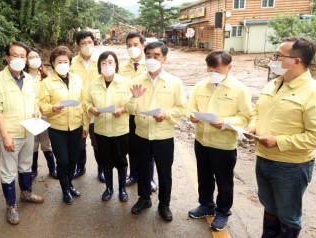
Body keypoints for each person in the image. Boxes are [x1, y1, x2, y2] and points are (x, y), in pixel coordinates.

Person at [245, 37, 316, 237]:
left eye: (278, 55)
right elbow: (258, 111)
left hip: (291, 166)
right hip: (264, 158)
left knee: (288, 216)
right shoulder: (274, 83)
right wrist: (252, 126)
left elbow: (314, 136)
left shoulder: (312, 92)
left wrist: (279, 141)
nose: (273, 59)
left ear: (297, 61)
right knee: (270, 208)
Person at [187, 50, 252, 231]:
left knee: (224, 180)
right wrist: (191, 116)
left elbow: (245, 117)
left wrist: (225, 122)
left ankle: (223, 211)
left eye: (217, 69)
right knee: (204, 176)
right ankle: (206, 204)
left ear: (229, 67)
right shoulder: (201, 86)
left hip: (223, 144)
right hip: (202, 140)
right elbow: (191, 106)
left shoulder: (239, 89)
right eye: (209, 68)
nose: (212, 72)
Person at [127, 42, 186, 222]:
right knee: (143, 169)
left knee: (164, 171)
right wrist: (134, 98)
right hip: (142, 134)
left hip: (163, 135)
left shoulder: (175, 82)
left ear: (164, 59)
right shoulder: (137, 81)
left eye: (156, 56)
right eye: (149, 56)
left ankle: (164, 204)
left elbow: (181, 107)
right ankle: (144, 199)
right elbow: (129, 109)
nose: (152, 59)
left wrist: (166, 114)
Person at [0, 41, 44, 225]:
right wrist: (5, 136)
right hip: (11, 133)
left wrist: (36, 110)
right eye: (15, 55)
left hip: (28, 130)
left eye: (22, 56)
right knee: (8, 172)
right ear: (7, 58)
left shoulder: (29, 78)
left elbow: (34, 99)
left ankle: (26, 193)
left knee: (26, 165)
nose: (19, 59)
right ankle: (11, 205)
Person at [39, 46, 87, 204]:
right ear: (53, 63)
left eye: (65, 61)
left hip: (75, 125)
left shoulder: (77, 80)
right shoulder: (46, 83)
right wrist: (53, 108)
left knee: (73, 158)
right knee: (63, 160)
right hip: (57, 128)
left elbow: (83, 103)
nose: (62, 64)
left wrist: (85, 125)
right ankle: (65, 189)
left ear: (69, 63)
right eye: (59, 61)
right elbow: (42, 106)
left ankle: (70, 184)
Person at [84, 51, 130, 202]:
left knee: (121, 160)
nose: (107, 66)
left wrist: (122, 110)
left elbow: (132, 103)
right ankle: (109, 189)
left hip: (120, 130)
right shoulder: (94, 83)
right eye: (103, 63)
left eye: (110, 62)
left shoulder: (125, 82)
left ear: (116, 64)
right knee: (106, 161)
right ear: (99, 67)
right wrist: (92, 109)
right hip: (101, 130)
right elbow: (87, 102)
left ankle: (122, 189)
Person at [119, 32, 157, 192]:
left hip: (146, 113)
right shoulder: (122, 68)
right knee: (132, 147)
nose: (132, 48)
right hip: (128, 113)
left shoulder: (151, 65)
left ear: (143, 45)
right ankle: (133, 174)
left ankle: (149, 178)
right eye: (128, 46)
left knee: (149, 148)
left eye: (135, 45)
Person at [70, 30, 103, 182]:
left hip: (96, 109)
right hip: (78, 109)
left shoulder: (101, 61)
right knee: (78, 144)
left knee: (98, 143)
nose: (87, 46)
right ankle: (80, 167)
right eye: (83, 43)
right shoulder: (71, 63)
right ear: (78, 46)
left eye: (90, 42)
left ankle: (101, 170)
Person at [26, 48, 57, 179]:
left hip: (43, 114)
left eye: (36, 56)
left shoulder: (46, 75)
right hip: (29, 115)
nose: (34, 59)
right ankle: (33, 169)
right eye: (31, 57)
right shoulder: (22, 76)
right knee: (32, 144)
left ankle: (52, 168)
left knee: (46, 143)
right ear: (26, 61)